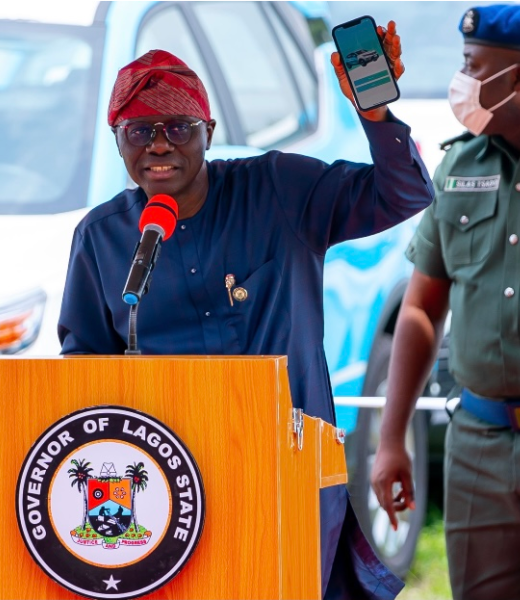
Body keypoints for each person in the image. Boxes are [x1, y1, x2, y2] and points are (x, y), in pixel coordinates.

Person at [59, 22, 434, 600]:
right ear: (117, 140)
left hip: (288, 473)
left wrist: (376, 113)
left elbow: (403, 193)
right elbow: (83, 369)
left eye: (178, 127)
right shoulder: (101, 238)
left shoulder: (279, 188)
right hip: (169, 490)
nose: (159, 144)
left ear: (208, 132)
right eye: (138, 130)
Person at [369, 5, 520, 600]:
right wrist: (391, 441)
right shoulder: (459, 165)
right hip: (480, 448)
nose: (460, 82)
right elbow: (419, 309)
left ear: (518, 78)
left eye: (473, 67)